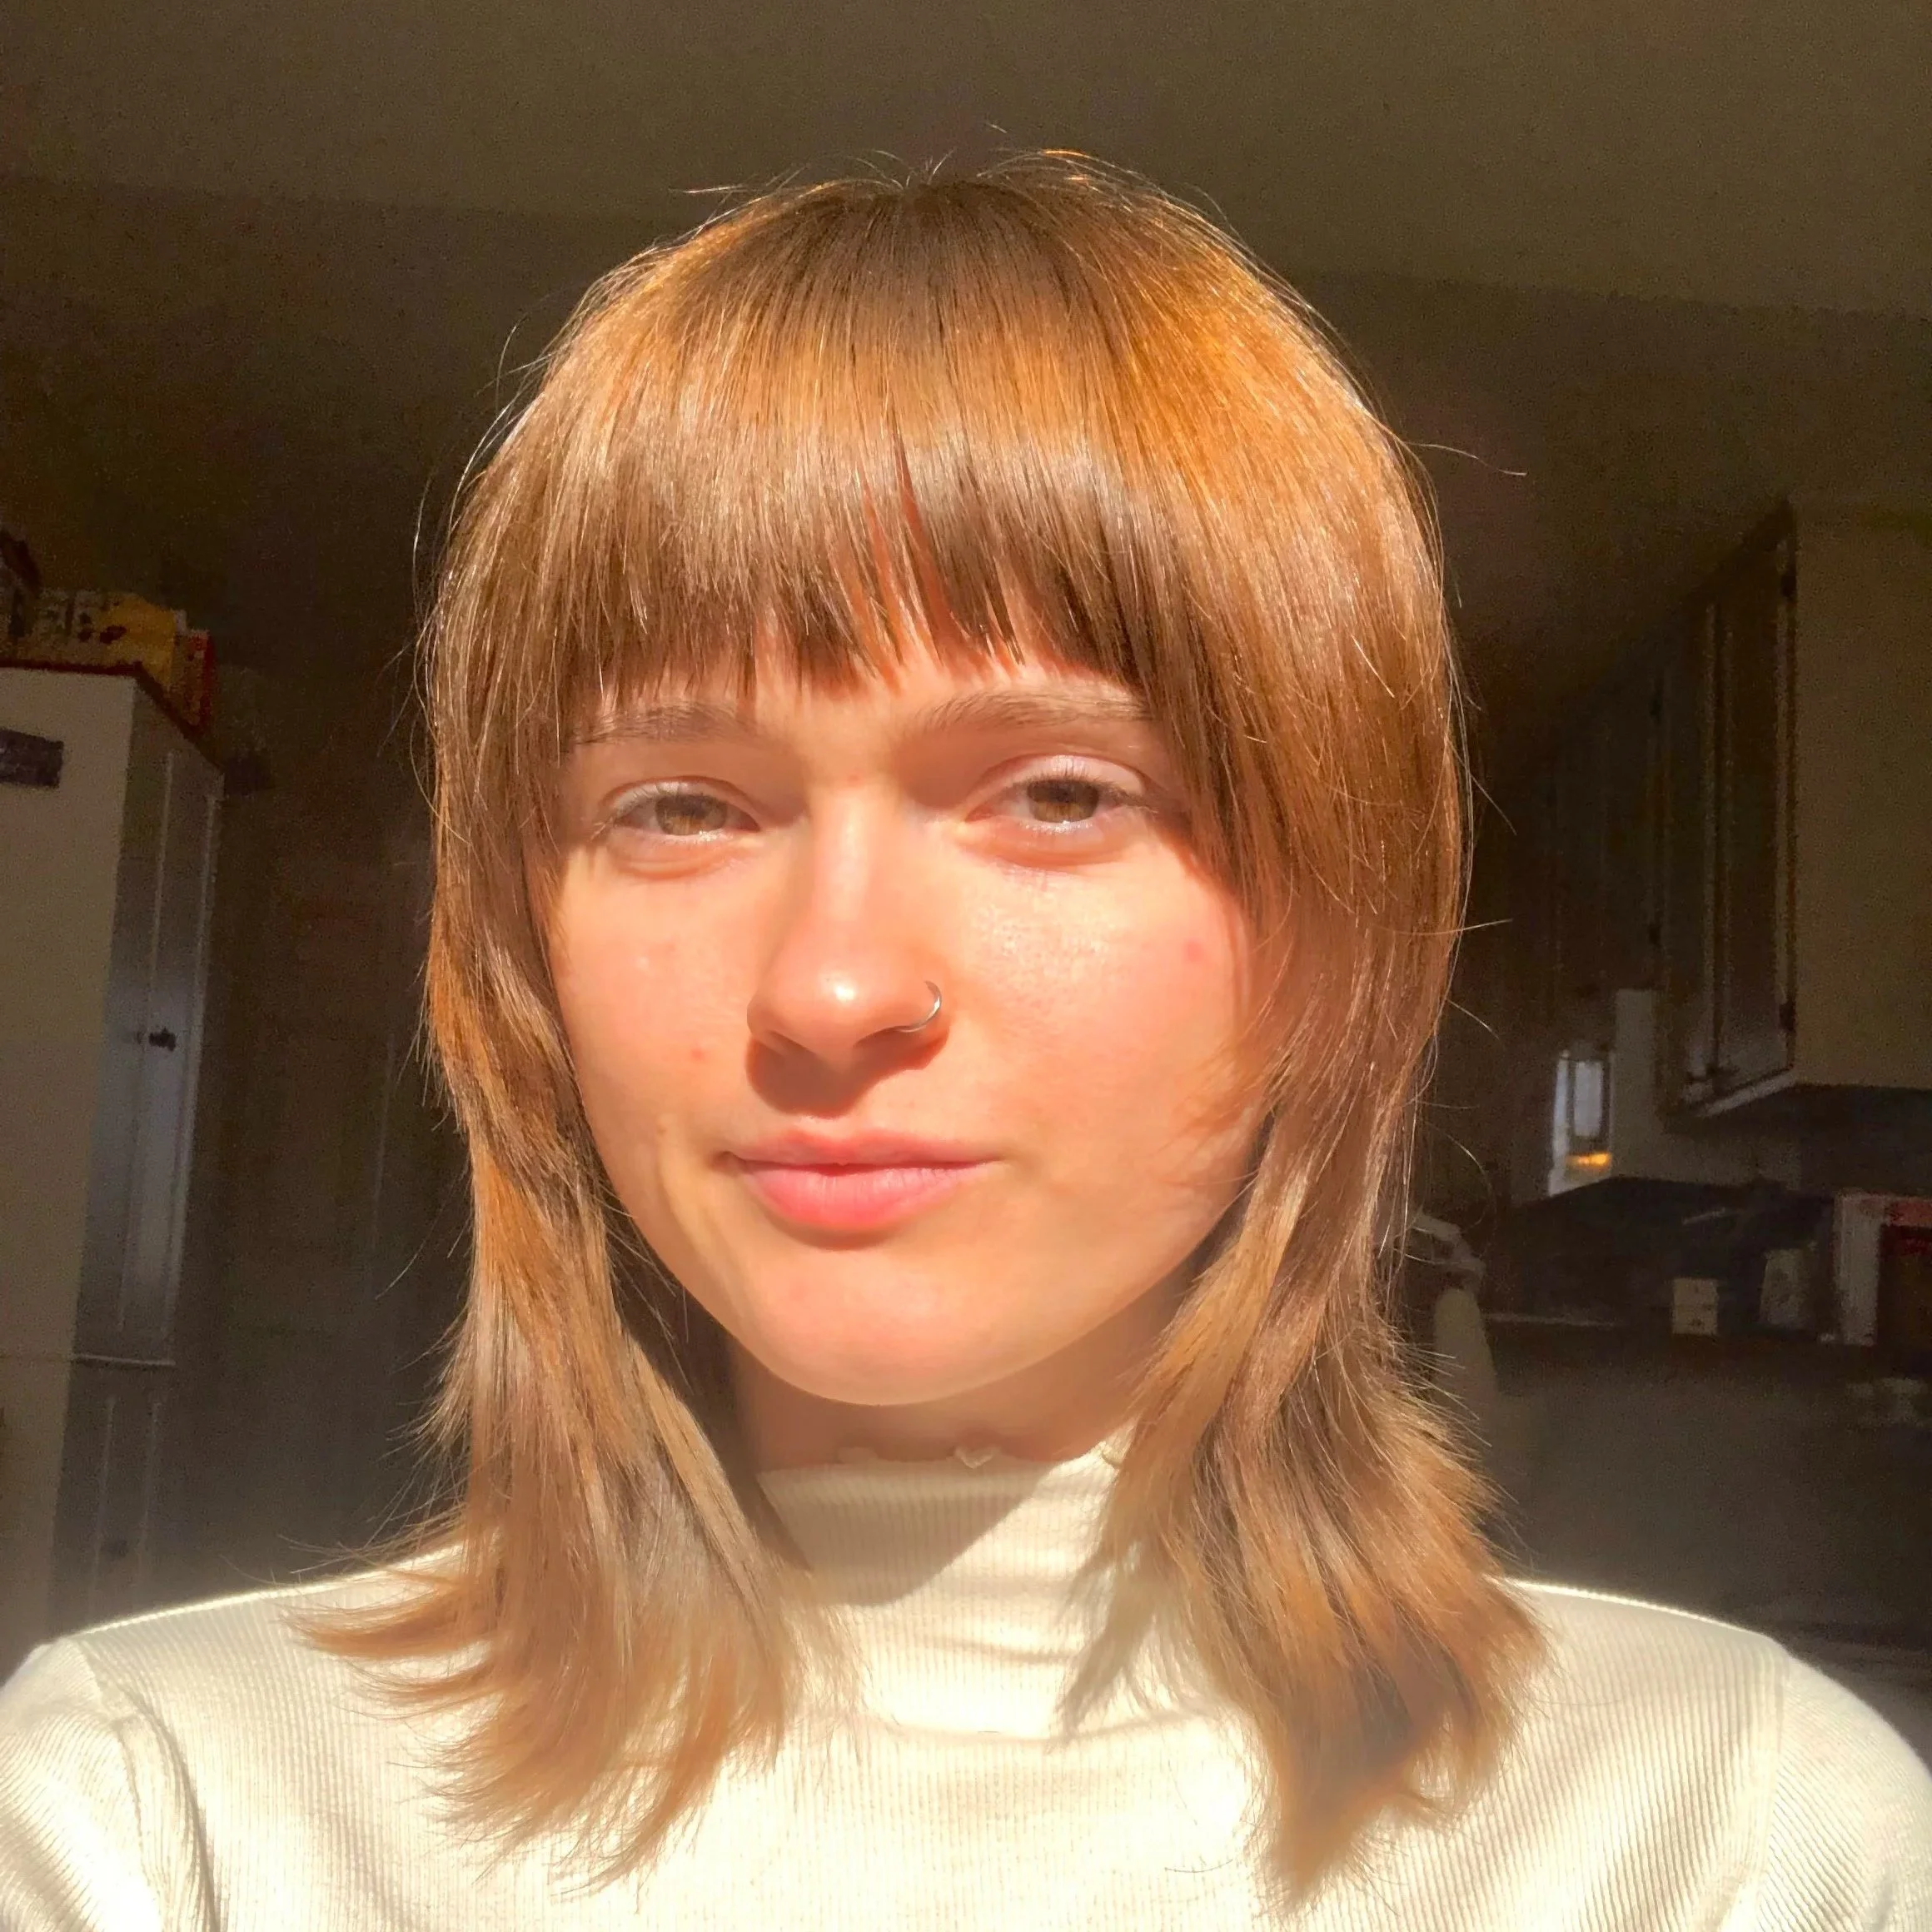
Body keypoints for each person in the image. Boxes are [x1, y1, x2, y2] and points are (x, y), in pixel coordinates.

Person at [2, 152, 1928, 1930]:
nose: (831, 988)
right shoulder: (160, 1817)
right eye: (677, 803)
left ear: (1336, 935)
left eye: (1061, 793)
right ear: (526, 957)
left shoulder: (1731, 1840)